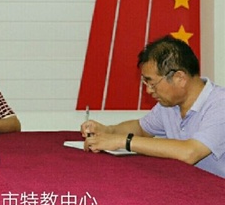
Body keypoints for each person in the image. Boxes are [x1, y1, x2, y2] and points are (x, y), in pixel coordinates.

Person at [81, 35, 225, 178]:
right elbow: (141, 129)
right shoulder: (169, 104)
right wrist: (108, 130)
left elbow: (190, 152)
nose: (149, 90)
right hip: (188, 183)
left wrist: (123, 141)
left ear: (179, 78)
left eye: (152, 83)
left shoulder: (219, 103)